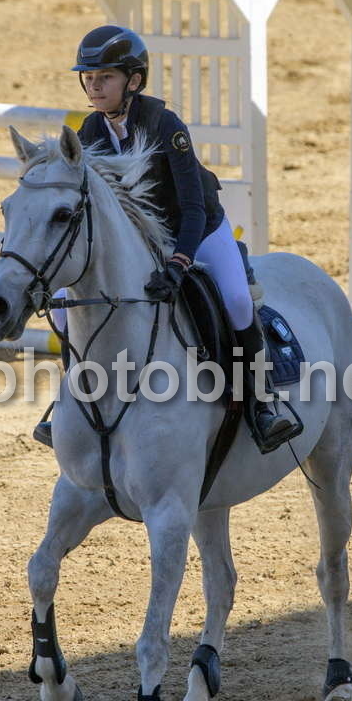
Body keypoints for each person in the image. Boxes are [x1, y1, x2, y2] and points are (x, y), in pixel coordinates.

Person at [33, 25, 300, 453]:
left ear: (134, 81)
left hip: (197, 228)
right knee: (64, 311)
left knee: (235, 300)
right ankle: (75, 400)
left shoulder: (165, 125)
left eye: (105, 77)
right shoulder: (90, 132)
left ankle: (261, 402)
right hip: (141, 237)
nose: (94, 85)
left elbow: (193, 207)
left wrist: (179, 262)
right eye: (88, 77)